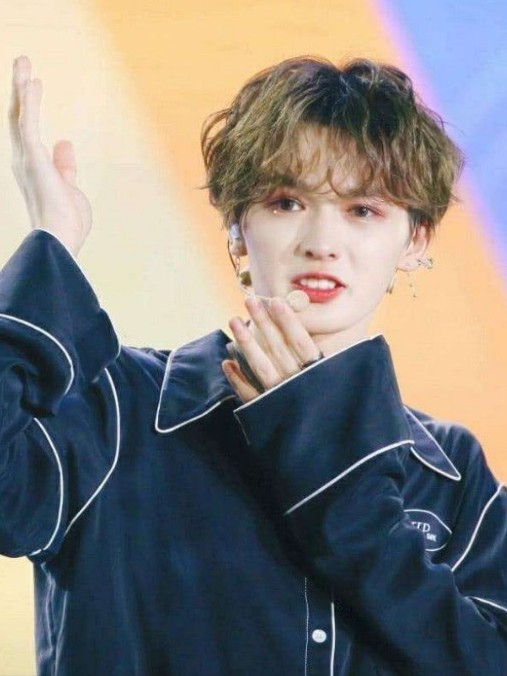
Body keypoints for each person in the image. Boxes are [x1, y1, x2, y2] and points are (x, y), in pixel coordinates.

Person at [3, 52, 507, 676]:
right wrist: (52, 242)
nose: (322, 243)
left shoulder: (449, 472)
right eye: (286, 202)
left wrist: (334, 474)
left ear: (415, 240)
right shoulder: (118, 410)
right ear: (238, 227)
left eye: (363, 210)